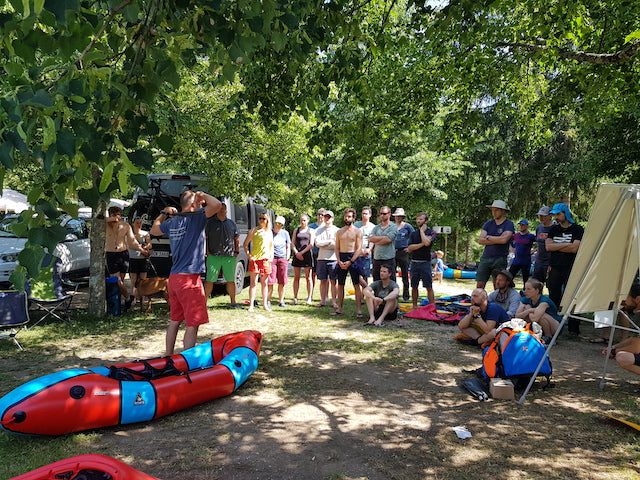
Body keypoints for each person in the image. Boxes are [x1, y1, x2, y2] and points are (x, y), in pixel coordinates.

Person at [150, 190, 221, 355]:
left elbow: (154, 230)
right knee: (192, 324)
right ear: (192, 205)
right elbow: (217, 205)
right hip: (189, 280)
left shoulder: (173, 221)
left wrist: (163, 213)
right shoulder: (197, 217)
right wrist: (202, 193)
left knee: (175, 321)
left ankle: (168, 357)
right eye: (200, 202)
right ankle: (187, 362)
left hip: (174, 279)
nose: (203, 204)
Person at [545, 203, 584, 339]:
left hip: (571, 268)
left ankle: (574, 329)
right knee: (554, 297)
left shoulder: (578, 229)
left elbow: (575, 249)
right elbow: (548, 247)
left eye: (558, 214)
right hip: (555, 267)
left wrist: (557, 246)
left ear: (565, 213)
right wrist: (567, 244)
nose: (556, 217)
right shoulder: (553, 229)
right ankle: (555, 326)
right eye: (555, 214)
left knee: (572, 297)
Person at [106, 206, 150, 310]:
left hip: (123, 254)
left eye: (119, 215)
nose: (117, 217)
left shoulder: (125, 226)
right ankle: (127, 298)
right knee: (117, 281)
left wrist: (142, 250)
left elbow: (132, 241)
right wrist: (112, 219)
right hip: (111, 254)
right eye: (114, 215)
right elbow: (102, 220)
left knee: (121, 280)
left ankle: (119, 305)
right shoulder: (105, 224)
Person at [203, 203, 241, 308]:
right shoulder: (210, 223)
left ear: (226, 210)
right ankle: (203, 303)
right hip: (213, 256)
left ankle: (233, 302)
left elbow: (236, 238)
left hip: (229, 257)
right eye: (220, 209)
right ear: (216, 210)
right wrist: (207, 251)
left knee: (230, 280)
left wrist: (236, 251)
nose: (222, 211)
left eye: (224, 209)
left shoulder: (231, 223)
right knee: (209, 280)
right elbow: (205, 238)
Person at [334, 208, 367, 317]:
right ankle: (339, 308)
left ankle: (359, 310)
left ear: (353, 218)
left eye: (349, 216)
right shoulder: (339, 232)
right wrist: (339, 260)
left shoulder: (357, 231)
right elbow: (337, 248)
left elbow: (359, 249)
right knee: (340, 285)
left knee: (356, 284)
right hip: (342, 257)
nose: (347, 218)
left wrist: (351, 261)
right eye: (346, 216)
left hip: (353, 257)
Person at [476, 200, 515, 289]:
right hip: (485, 258)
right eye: (492, 210)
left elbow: (504, 240)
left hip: (500, 258)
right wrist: (498, 239)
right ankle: (479, 301)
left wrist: (488, 237)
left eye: (496, 210)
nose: (494, 212)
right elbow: (480, 240)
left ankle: (497, 302)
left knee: (498, 285)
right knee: (480, 285)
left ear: (503, 211)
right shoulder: (488, 223)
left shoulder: (509, 224)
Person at [243, 213, 274, 312]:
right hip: (255, 259)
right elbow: (245, 244)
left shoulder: (269, 231)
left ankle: (265, 304)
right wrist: (249, 256)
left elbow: (271, 246)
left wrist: (271, 257)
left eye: (263, 218)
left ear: (267, 220)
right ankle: (251, 305)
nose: (261, 220)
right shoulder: (253, 230)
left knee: (264, 283)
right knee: (253, 283)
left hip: (265, 259)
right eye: (260, 218)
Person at [407, 212, 437, 308]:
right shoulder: (413, 234)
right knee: (414, 286)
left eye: (421, 219)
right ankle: (414, 306)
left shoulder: (432, 232)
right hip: (415, 263)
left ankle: (432, 307)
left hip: (426, 263)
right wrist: (422, 243)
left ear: (426, 221)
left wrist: (421, 232)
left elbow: (427, 243)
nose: (418, 221)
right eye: (417, 219)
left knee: (429, 286)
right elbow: (410, 247)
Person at [314, 210, 339, 308]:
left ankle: (334, 301)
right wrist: (329, 242)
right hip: (321, 258)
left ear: (332, 218)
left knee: (333, 281)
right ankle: (322, 300)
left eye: (329, 217)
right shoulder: (319, 230)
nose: (327, 219)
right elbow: (318, 243)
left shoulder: (337, 230)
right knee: (322, 281)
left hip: (333, 258)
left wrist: (326, 243)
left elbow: (337, 244)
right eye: (325, 217)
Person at [128, 216, 153, 307]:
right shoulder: (130, 234)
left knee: (143, 280)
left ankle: (143, 299)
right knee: (133, 280)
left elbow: (150, 244)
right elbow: (130, 245)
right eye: (137, 223)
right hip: (133, 258)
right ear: (133, 224)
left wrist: (145, 247)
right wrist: (141, 248)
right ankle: (133, 298)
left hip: (143, 259)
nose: (139, 225)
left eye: (140, 223)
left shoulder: (145, 234)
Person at [291, 214, 315, 305]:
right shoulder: (296, 230)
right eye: (301, 220)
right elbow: (292, 243)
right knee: (296, 277)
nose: (303, 222)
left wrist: (302, 253)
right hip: (297, 256)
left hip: (307, 255)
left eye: (304, 220)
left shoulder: (311, 231)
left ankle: (309, 298)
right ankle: (295, 298)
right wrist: (297, 253)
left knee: (308, 277)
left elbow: (311, 244)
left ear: (308, 221)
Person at [369, 206, 398, 281]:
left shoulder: (393, 227)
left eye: (384, 214)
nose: (382, 215)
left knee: (390, 282)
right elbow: (371, 239)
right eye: (380, 214)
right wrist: (383, 238)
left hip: (388, 259)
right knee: (376, 282)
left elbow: (388, 240)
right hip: (377, 258)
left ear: (389, 214)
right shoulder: (376, 227)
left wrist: (376, 240)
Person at [268, 216, 291, 308]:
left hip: (282, 258)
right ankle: (268, 300)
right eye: (277, 223)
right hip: (272, 259)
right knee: (270, 281)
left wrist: (287, 257)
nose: (278, 225)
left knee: (282, 281)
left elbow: (288, 246)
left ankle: (281, 301)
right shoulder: (270, 233)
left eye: (280, 224)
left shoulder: (285, 233)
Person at [393, 208, 415, 301]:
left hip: (403, 252)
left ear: (403, 217)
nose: (398, 218)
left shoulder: (407, 226)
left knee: (405, 274)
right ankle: (393, 294)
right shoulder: (391, 226)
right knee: (392, 274)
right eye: (397, 216)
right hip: (392, 252)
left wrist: (410, 248)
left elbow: (414, 237)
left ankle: (406, 295)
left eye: (400, 216)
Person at [509, 219, 536, 284]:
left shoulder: (531, 236)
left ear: (527, 226)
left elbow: (541, 243)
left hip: (526, 261)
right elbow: (507, 241)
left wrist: (535, 250)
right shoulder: (515, 236)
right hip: (516, 261)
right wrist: (511, 248)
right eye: (520, 225)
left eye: (523, 225)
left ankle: (525, 292)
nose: (521, 226)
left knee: (525, 280)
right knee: (509, 278)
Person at [533, 206, 554, 283]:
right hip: (539, 260)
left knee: (550, 284)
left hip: (550, 261)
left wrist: (551, 264)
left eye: (544, 216)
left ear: (550, 216)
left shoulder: (554, 228)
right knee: (536, 283)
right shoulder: (538, 228)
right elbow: (538, 243)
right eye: (540, 216)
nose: (541, 218)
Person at [309, 208, 326, 301]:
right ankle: (310, 295)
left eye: (322, 215)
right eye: (319, 214)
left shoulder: (327, 226)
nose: (320, 216)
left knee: (324, 277)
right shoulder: (311, 226)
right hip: (313, 253)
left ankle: (325, 296)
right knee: (312, 275)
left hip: (323, 254)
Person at [354, 206, 376, 279]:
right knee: (356, 275)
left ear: (370, 215)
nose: (364, 215)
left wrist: (369, 249)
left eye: (366, 214)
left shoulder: (373, 227)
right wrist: (359, 250)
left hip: (366, 253)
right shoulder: (356, 225)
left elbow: (372, 240)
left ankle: (365, 290)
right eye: (363, 213)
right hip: (356, 252)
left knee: (365, 275)